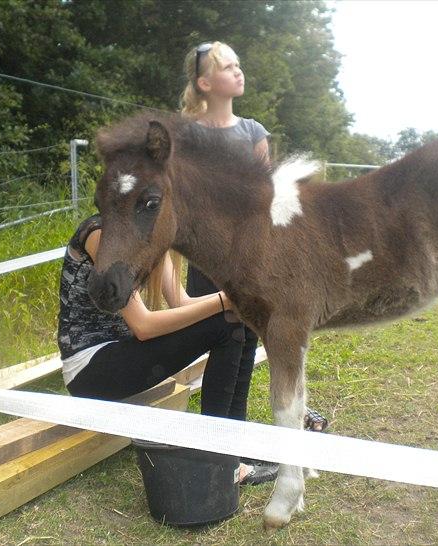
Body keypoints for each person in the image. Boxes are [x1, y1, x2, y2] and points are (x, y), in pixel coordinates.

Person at [179, 41, 328, 484]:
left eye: (239, 65)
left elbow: (266, 199)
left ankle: (234, 451)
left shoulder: (253, 132)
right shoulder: (189, 137)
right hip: (209, 259)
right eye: (229, 67)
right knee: (223, 345)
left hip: (252, 260)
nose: (239, 72)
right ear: (206, 83)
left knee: (245, 347)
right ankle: (216, 454)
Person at [57, 215, 256, 480]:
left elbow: (183, 303)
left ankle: (234, 444)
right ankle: (217, 460)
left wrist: (242, 296)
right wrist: (225, 300)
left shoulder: (152, 234)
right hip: (89, 369)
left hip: (121, 353)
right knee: (226, 322)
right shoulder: (103, 235)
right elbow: (143, 326)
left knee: (241, 316)